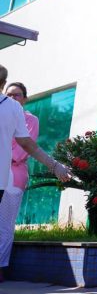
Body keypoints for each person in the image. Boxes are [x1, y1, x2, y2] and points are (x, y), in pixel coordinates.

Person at [0, 66, 70, 273]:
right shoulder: (12, 108)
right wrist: (55, 166)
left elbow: (26, 146)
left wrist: (55, 166)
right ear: (4, 85)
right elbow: (29, 145)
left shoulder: (13, 109)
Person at [0, 82, 39, 281]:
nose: (13, 98)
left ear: (25, 98)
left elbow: (25, 147)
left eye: (17, 95)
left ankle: (0, 267)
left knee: (4, 224)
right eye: (9, 95)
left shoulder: (30, 120)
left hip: (13, 176)